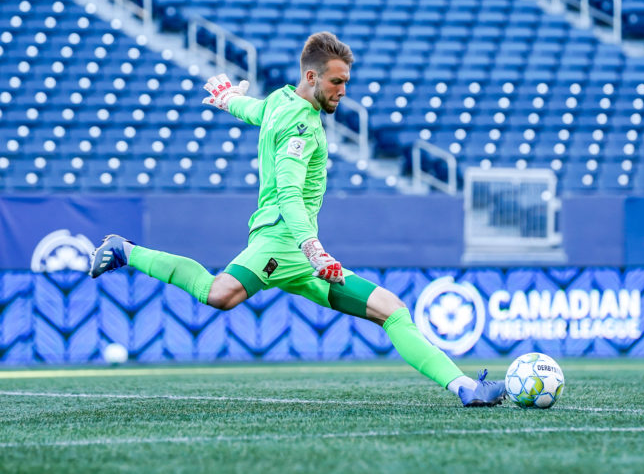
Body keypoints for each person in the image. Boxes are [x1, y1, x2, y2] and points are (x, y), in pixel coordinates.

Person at [89, 32, 505, 407]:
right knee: (218, 294)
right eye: (336, 82)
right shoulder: (303, 128)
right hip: (284, 244)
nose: (343, 90)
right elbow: (289, 193)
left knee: (392, 311)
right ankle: (125, 250)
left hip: (297, 253)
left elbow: (255, 111)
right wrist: (315, 250)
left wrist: (227, 99)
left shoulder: (279, 100)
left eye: (345, 82)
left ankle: (465, 387)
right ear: (311, 76)